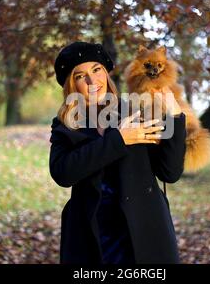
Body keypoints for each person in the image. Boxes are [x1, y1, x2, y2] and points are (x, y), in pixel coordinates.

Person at [49, 41, 186, 264]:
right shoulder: (66, 124)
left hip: (144, 234)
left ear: (106, 72)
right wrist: (120, 139)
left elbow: (170, 172)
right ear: (71, 85)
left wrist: (175, 116)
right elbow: (63, 173)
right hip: (92, 238)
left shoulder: (135, 109)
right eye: (80, 76)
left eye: (96, 70)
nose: (92, 81)